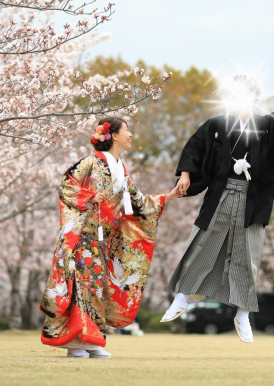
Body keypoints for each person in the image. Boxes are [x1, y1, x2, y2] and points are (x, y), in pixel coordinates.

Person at [161, 62, 274, 343]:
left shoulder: (266, 125)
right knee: (203, 241)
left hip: (253, 198)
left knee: (247, 254)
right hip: (222, 193)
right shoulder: (218, 124)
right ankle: (182, 297)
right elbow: (195, 147)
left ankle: (242, 313)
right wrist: (185, 173)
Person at [40, 117, 181, 358]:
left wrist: (168, 197)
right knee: (83, 287)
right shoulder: (91, 162)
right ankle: (76, 343)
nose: (131, 134)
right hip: (85, 235)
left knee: (96, 288)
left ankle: (92, 339)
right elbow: (67, 186)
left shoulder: (121, 169)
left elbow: (138, 201)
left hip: (105, 239)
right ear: (113, 135)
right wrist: (88, 197)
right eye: (127, 130)